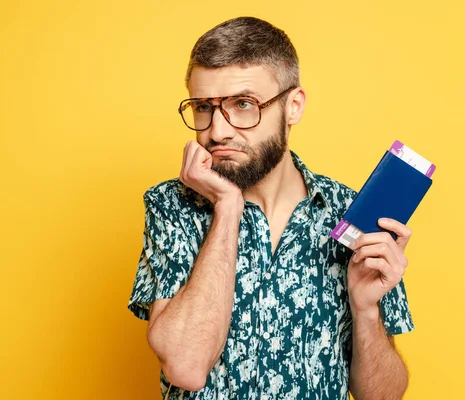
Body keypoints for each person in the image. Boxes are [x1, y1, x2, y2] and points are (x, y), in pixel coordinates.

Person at [128, 16, 413, 400]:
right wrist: (228, 207)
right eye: (202, 107)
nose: (217, 131)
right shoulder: (172, 206)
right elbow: (185, 367)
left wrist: (365, 310)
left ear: (293, 106)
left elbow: (383, 397)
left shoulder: (353, 214)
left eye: (243, 104)